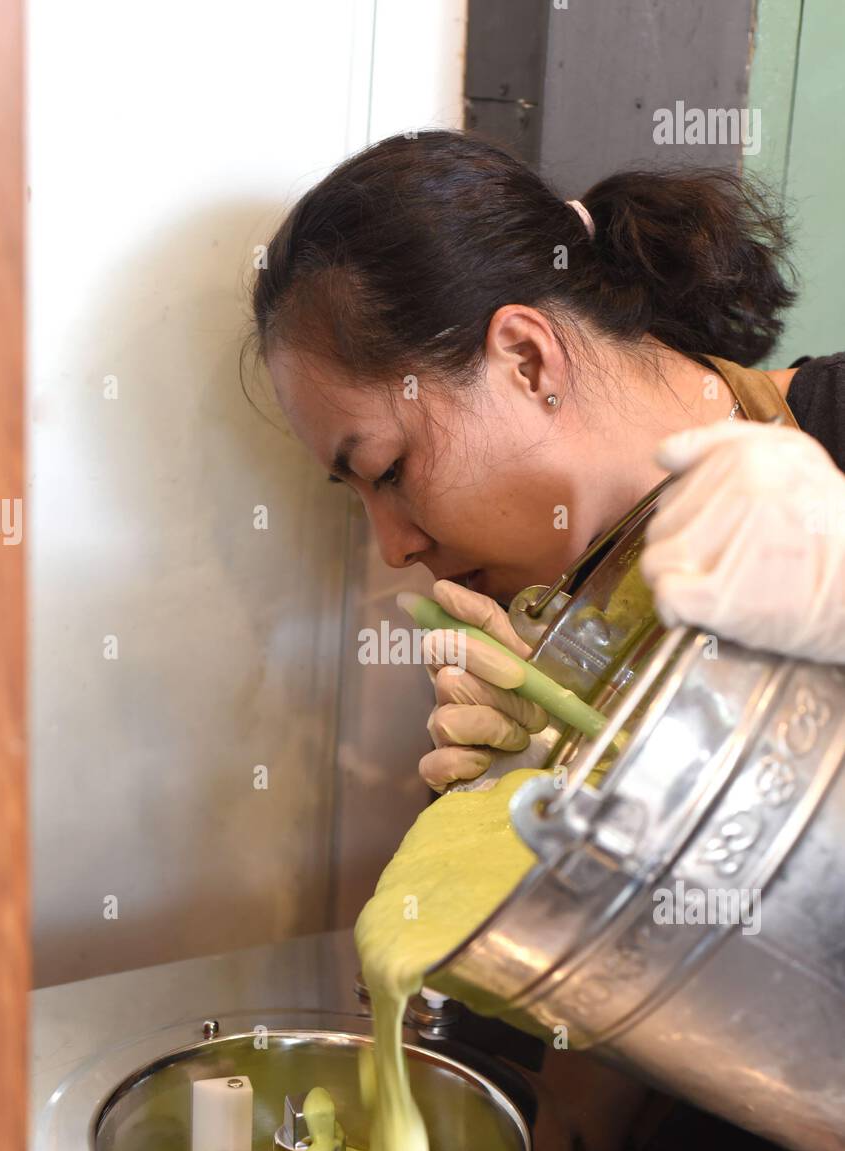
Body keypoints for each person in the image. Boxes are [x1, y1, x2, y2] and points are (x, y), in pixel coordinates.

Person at [248, 129, 845, 793]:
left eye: (389, 470)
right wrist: (530, 806)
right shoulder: (534, 661)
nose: (393, 550)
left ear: (526, 360)